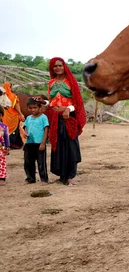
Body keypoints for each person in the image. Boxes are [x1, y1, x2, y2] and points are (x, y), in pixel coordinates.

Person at [34, 57, 86, 186]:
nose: (57, 68)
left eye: (60, 65)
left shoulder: (71, 82)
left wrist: (68, 108)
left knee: (71, 146)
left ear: (64, 67)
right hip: (55, 118)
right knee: (58, 146)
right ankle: (62, 176)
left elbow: (78, 103)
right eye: (55, 66)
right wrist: (44, 102)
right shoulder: (51, 82)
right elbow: (52, 102)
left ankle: (70, 176)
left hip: (69, 118)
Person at [23, 98, 50, 184]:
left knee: (41, 162)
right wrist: (25, 133)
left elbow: (46, 130)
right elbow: (26, 128)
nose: (33, 110)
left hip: (39, 143)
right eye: (30, 108)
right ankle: (30, 178)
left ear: (39, 107)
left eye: (35, 107)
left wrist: (43, 143)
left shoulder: (43, 117)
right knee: (28, 162)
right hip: (29, 143)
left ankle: (44, 179)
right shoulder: (28, 118)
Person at [1, 82, 25, 148]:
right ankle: (15, 145)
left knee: (5, 129)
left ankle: (6, 144)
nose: (12, 88)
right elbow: (16, 106)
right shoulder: (13, 96)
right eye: (11, 87)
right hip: (13, 117)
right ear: (9, 88)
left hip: (5, 117)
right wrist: (21, 114)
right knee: (15, 130)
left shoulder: (2, 97)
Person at [0, 106, 10, 185]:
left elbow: (6, 138)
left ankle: (2, 178)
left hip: (1, 148)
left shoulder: (4, 127)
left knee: (2, 163)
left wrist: (7, 147)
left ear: (0, 116)